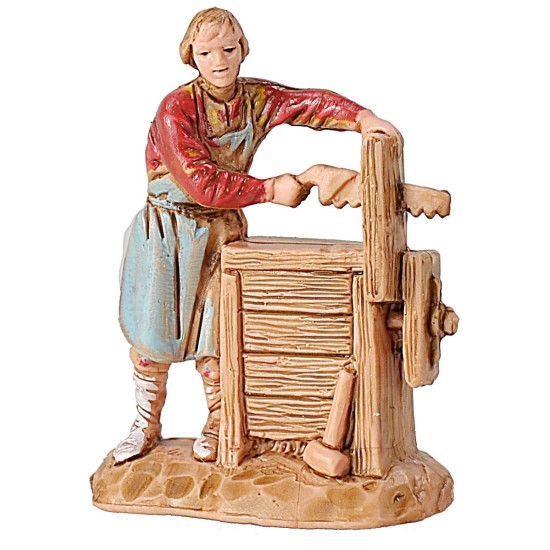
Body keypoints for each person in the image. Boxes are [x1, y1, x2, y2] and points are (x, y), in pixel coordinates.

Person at [114, 7, 399, 464]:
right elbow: (200, 181)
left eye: (228, 49)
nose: (219, 61)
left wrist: (362, 118)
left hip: (221, 234)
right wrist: (268, 190)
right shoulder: (176, 109)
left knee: (218, 336)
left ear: (243, 50)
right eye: (206, 53)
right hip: (167, 233)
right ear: (191, 56)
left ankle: (217, 421)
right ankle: (144, 424)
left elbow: (305, 103)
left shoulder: (254, 100)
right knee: (153, 338)